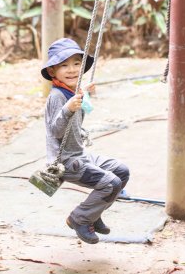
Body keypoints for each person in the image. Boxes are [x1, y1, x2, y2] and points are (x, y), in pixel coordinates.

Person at [41, 38, 130, 244]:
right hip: (66, 161)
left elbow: (79, 118)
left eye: (76, 63)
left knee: (121, 171)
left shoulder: (71, 91)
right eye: (64, 65)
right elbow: (55, 130)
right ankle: (79, 217)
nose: (71, 69)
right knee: (111, 183)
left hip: (80, 154)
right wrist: (68, 108)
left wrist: (84, 95)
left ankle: (93, 213)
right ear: (53, 72)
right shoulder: (57, 96)